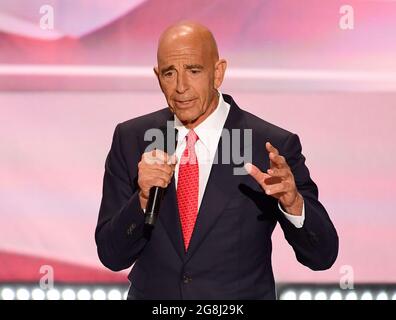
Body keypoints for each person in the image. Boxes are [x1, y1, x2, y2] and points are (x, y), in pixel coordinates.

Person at [95, 21, 338, 300]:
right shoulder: (132, 139)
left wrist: (294, 204)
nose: (180, 87)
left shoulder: (268, 146)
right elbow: (111, 255)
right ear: (157, 76)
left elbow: (323, 256)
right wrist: (140, 200)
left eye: (194, 70)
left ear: (218, 72)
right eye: (169, 73)